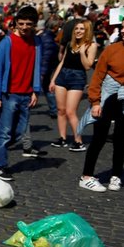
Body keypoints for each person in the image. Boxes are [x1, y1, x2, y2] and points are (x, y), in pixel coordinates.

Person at [78, 11, 124, 192]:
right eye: (122, 27)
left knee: (121, 140)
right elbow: (97, 77)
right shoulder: (111, 49)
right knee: (99, 138)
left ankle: (116, 175)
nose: (123, 30)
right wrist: (94, 102)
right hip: (107, 98)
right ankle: (86, 176)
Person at [0, 6, 43, 181]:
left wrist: (36, 91)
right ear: (16, 23)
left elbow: (36, 67)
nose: (24, 27)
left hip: (26, 94)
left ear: (34, 24)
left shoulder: (37, 42)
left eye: (29, 24)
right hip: (9, 94)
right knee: (4, 133)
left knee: (20, 132)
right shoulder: (7, 42)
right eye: (21, 23)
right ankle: (0, 166)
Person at [49, 18, 96, 151]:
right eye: (76, 29)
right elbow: (63, 62)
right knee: (60, 110)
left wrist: (82, 52)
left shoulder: (91, 45)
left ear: (87, 30)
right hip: (62, 76)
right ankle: (63, 138)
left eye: (81, 29)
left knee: (70, 112)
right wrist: (53, 79)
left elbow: (88, 66)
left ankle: (78, 141)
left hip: (77, 77)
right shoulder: (70, 43)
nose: (78, 31)